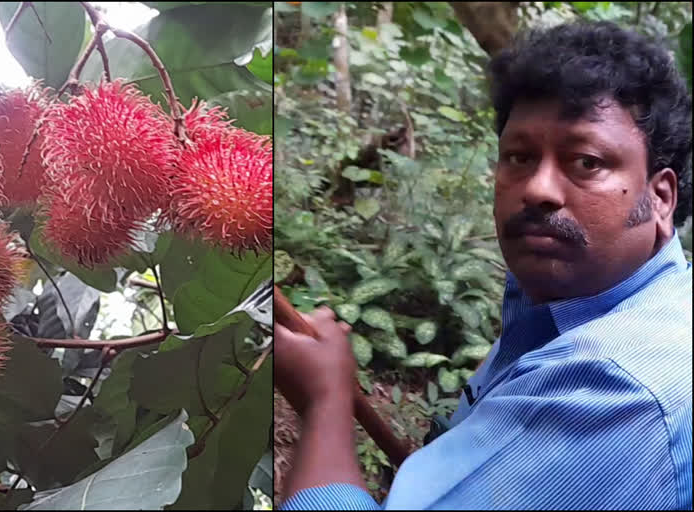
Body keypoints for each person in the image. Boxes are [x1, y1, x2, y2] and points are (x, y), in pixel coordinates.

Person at [275, 20, 692, 510]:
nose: (538, 189)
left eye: (586, 162)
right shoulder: (578, 303)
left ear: (660, 198)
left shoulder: (613, 385)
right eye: (518, 156)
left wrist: (325, 403)